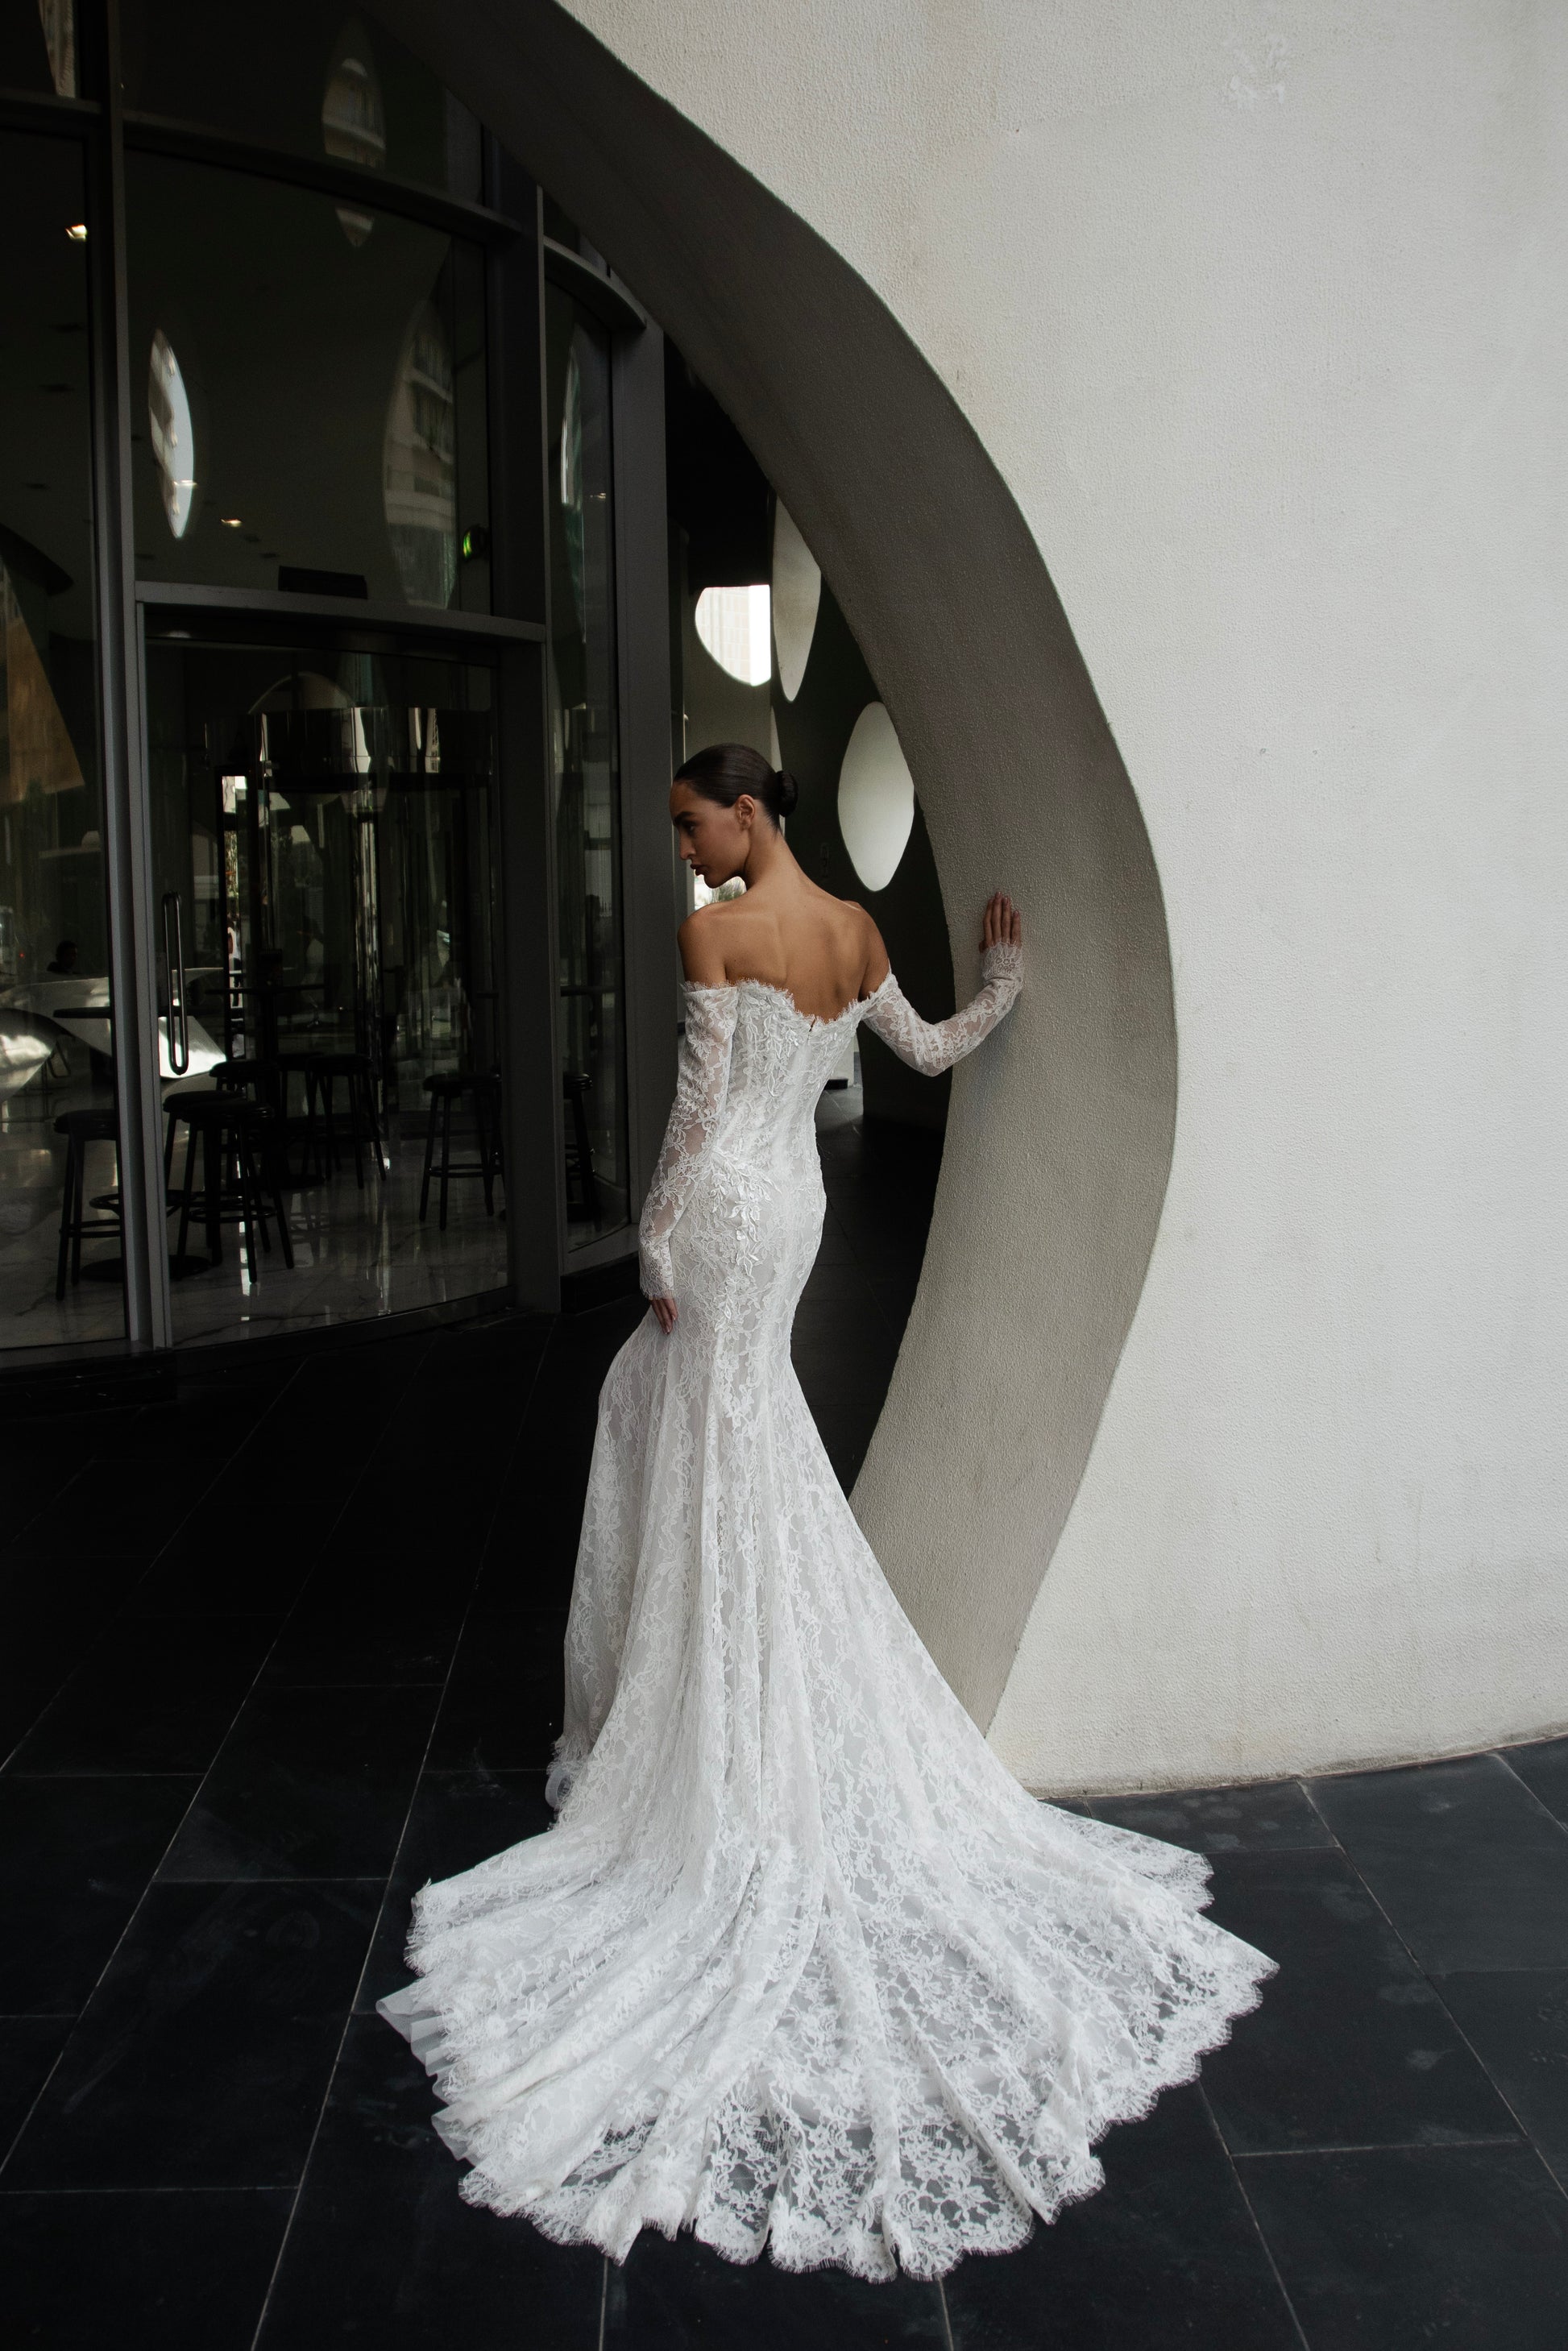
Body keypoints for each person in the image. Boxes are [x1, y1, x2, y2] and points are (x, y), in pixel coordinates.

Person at [380, 743, 1274, 2279]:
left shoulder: (713, 938)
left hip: (726, 1210)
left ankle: (697, 1700)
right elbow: (926, 1053)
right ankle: (726, 1664)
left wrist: (651, 1245)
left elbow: (692, 1112)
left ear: (751, 811)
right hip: (787, 1214)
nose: (686, 849)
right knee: (728, 1439)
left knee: (687, 1430)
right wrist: (1005, 982)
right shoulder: (855, 929)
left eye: (692, 822)